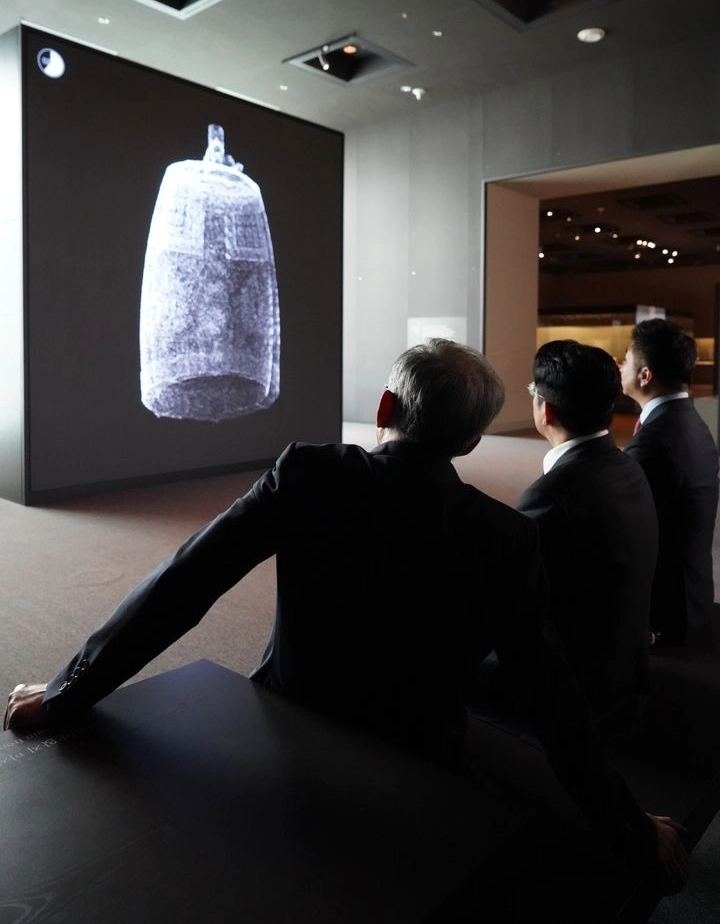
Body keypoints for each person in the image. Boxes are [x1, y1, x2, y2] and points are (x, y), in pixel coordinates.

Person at [4, 339, 687, 889]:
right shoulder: (506, 537)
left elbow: (182, 585)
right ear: (472, 441)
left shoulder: (307, 474)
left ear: (385, 405)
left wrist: (68, 692)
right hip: (419, 765)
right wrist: (630, 827)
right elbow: (552, 695)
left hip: (282, 726)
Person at [516, 340, 658, 738]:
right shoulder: (629, 468)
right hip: (626, 674)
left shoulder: (550, 496)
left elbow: (512, 598)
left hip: (579, 693)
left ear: (545, 410)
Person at [621, 318, 719, 646]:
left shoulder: (655, 441)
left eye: (626, 360)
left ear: (645, 375)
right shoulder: (690, 420)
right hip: (692, 593)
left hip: (665, 608)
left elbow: (630, 530)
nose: (620, 367)